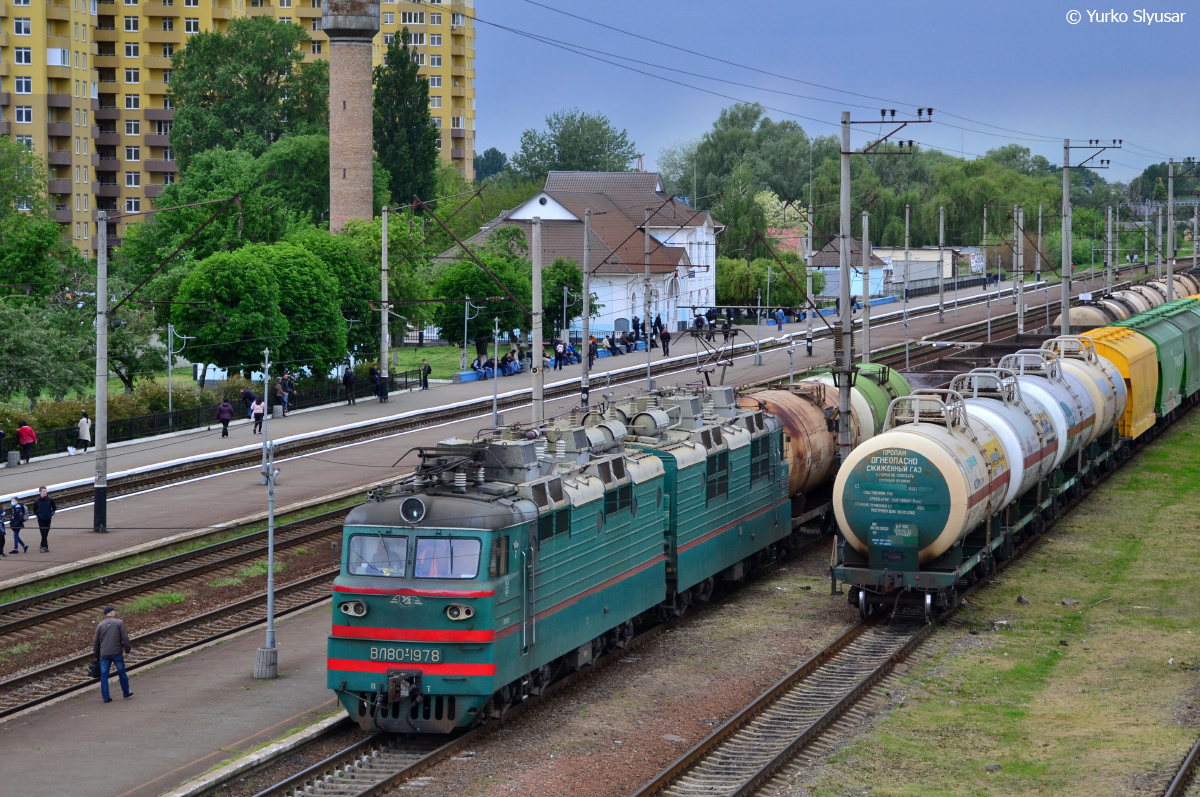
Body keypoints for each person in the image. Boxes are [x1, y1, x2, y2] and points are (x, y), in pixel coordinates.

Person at [93, 606, 133, 702]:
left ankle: (106, 697)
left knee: (104, 676)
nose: (115, 613)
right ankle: (126, 692)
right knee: (122, 672)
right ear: (111, 613)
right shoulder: (119, 623)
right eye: (114, 611)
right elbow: (125, 638)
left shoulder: (100, 625)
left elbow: (96, 642)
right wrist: (127, 649)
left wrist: (97, 655)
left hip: (104, 654)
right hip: (116, 652)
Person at [33, 487, 55, 552]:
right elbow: (34, 510)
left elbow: (54, 507)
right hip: (41, 519)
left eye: (46, 491)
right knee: (43, 533)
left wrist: (51, 514)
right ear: (40, 492)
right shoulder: (37, 501)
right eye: (44, 491)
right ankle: (45, 547)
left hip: (48, 519)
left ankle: (42, 545)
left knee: (46, 533)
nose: (45, 492)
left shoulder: (49, 499)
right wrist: (38, 515)